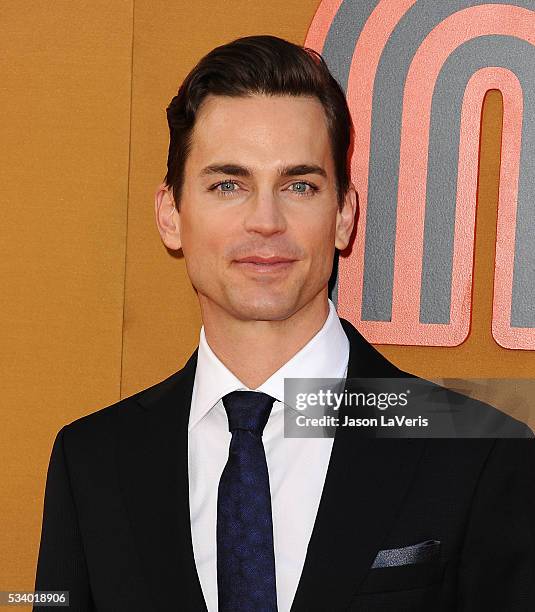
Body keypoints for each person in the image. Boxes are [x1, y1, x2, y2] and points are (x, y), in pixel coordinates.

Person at [34, 35, 535, 611]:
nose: (265, 221)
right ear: (171, 215)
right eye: (228, 184)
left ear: (343, 215)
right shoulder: (93, 461)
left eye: (299, 185)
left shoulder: (479, 451)